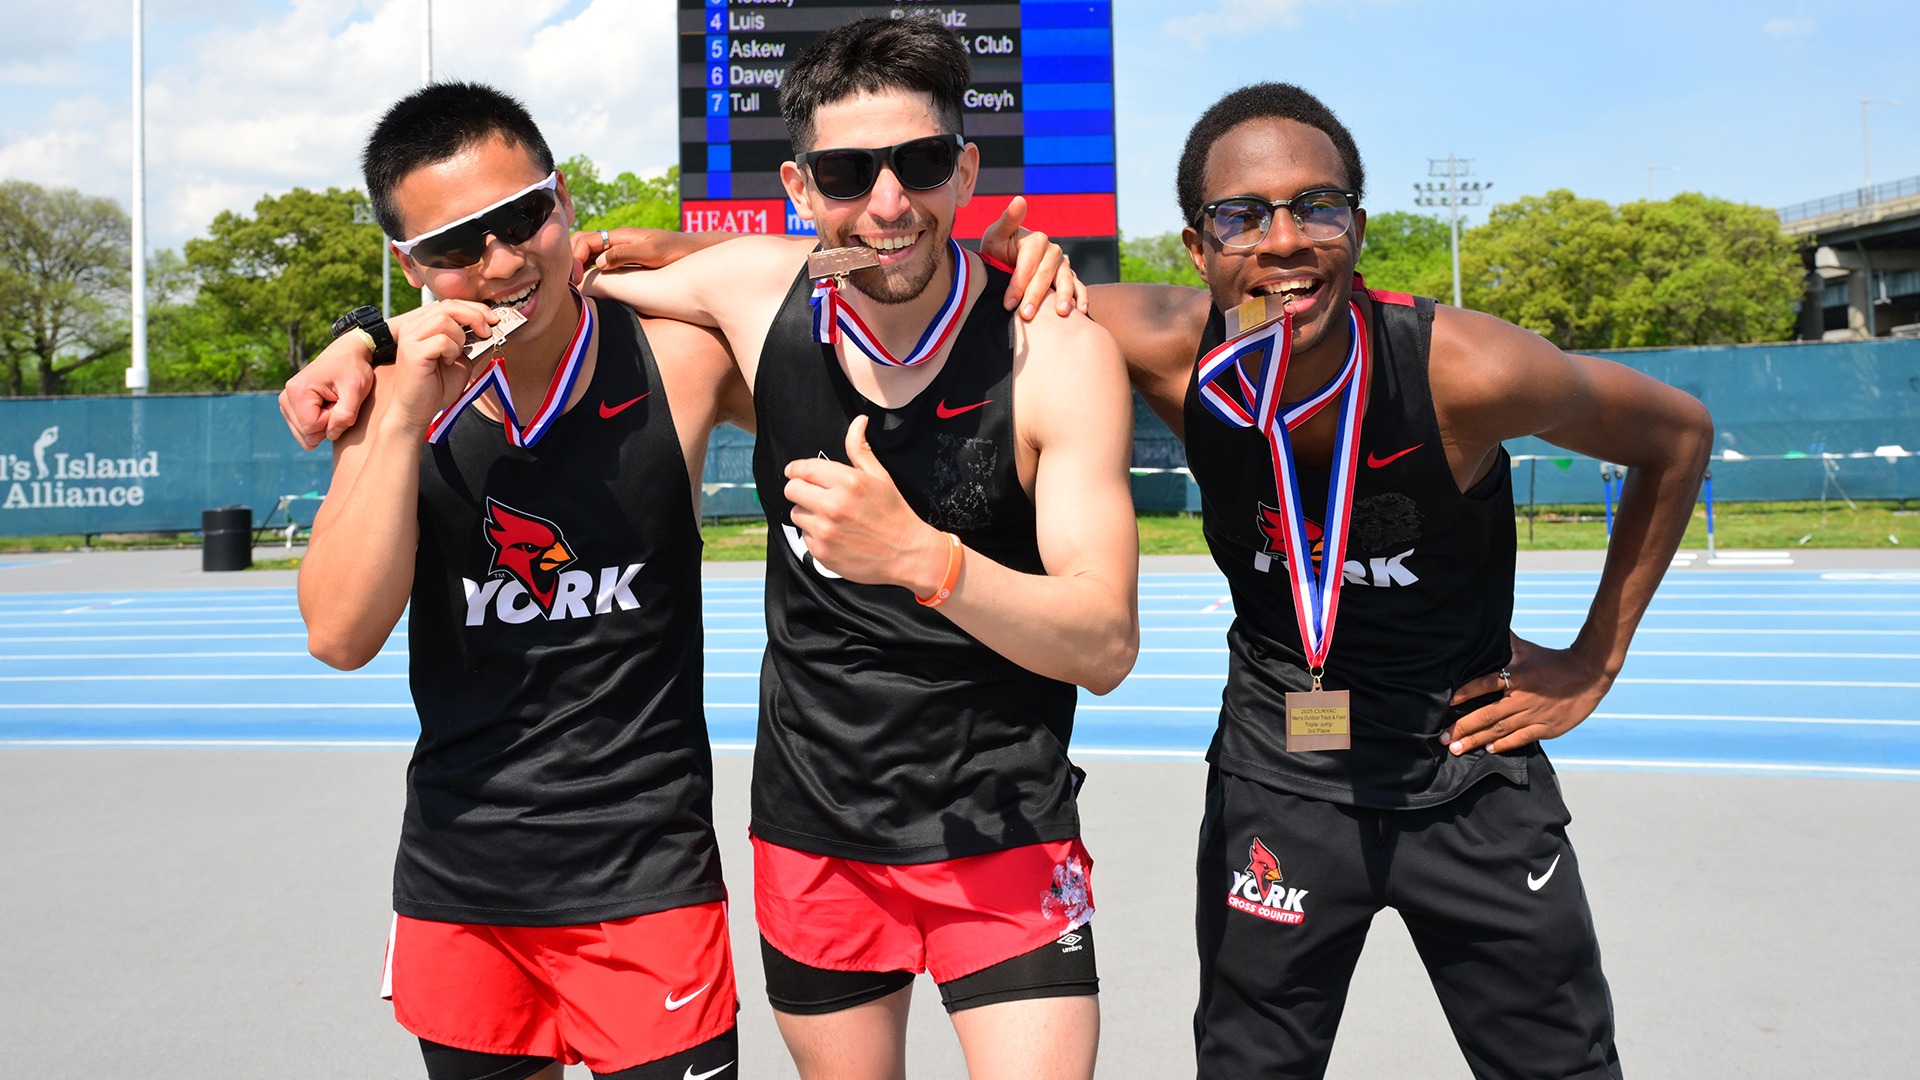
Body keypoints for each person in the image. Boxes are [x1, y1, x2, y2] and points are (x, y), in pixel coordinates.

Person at [1081, 84, 1712, 1078]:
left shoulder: (1466, 369)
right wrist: (1011, 260)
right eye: (1243, 216)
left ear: (1358, 230)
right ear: (1199, 251)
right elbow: (955, 291)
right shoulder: (1165, 346)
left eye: (1317, 207)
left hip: (1464, 766)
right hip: (1283, 767)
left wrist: (1595, 659)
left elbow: (1677, 433)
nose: (1284, 240)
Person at [575, 18, 1138, 1080]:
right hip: (816, 833)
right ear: (801, 187)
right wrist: (363, 337)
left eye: (920, 164)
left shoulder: (1055, 353)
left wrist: (927, 560)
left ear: (965, 170)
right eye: (847, 172)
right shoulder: (755, 292)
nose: (887, 203)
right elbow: (550, 283)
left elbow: (1105, 643)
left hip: (1004, 830)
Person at [296, 81, 753, 1080]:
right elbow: (338, 633)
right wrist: (398, 395)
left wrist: (678, 255)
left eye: (521, 217)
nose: (502, 261)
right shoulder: (391, 404)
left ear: (564, 201)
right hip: (464, 878)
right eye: (459, 245)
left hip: (649, 876)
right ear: (411, 265)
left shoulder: (677, 358)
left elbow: (862, 331)